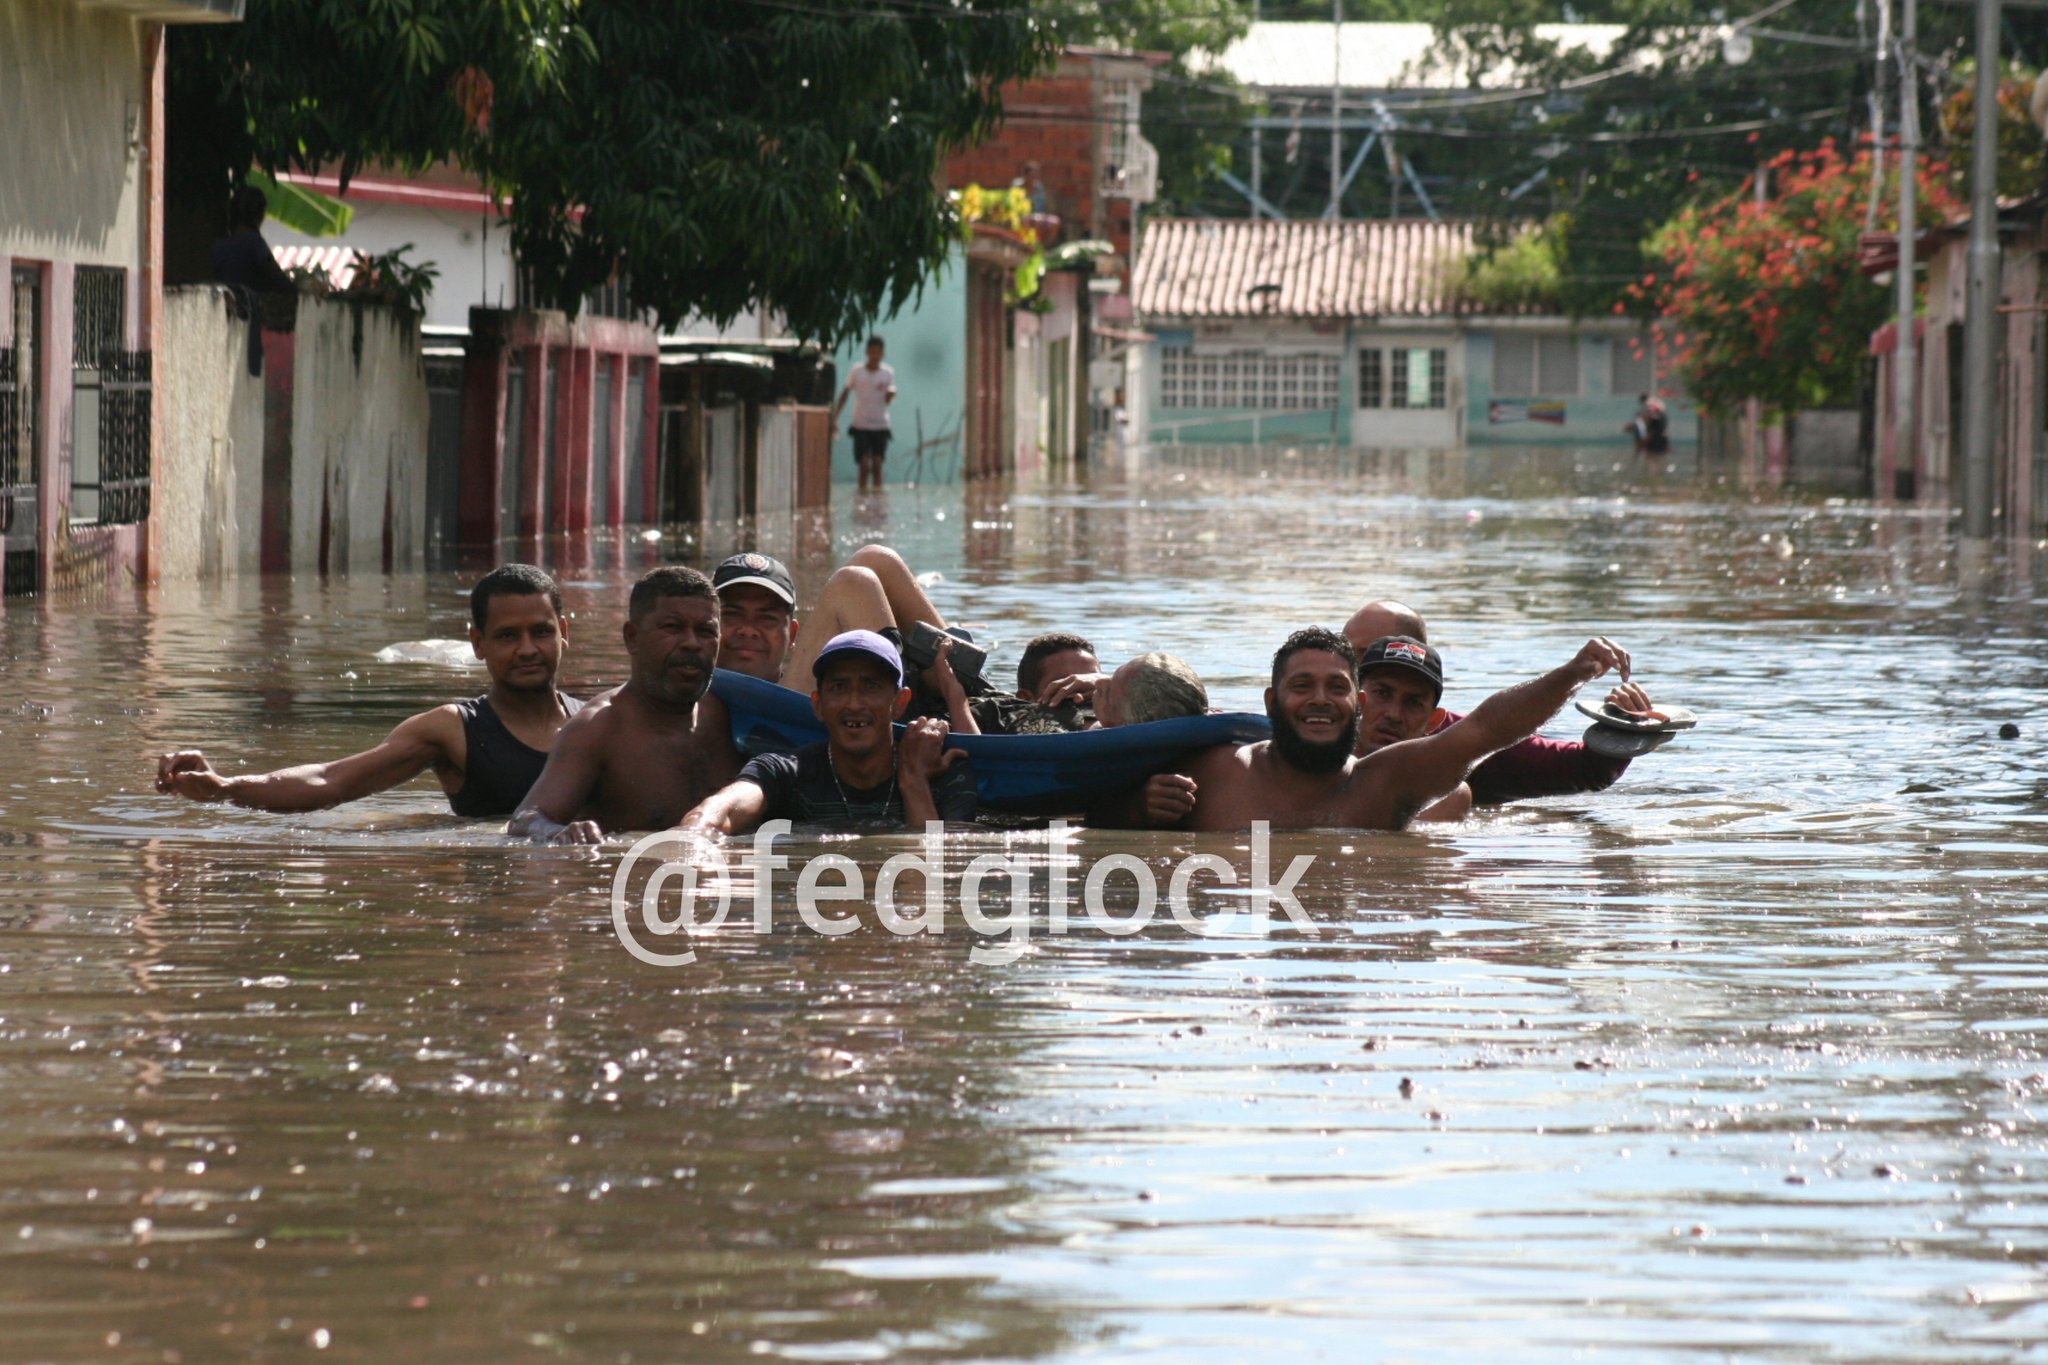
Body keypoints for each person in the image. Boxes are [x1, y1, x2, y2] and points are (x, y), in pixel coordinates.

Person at [155, 564, 581, 817]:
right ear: (477, 644)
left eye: (541, 632)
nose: (528, 649)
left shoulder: (600, 721)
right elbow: (332, 779)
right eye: (507, 636)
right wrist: (227, 788)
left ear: (563, 633)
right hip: (493, 903)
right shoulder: (453, 731)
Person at [1179, 627, 1632, 832]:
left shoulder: (1387, 784)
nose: (1319, 698)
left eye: (1335, 687)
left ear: (1353, 704)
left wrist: (1575, 671)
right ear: (1271, 703)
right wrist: (1143, 806)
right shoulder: (1211, 768)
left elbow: (1486, 730)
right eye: (1302, 686)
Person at [1342, 599, 1656, 807]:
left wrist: (1622, 723)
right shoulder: (1310, 729)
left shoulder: (1460, 747)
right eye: (1348, 655)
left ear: (1433, 719)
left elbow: (1588, 769)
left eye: (1412, 701)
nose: (1393, 714)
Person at [510, 566, 739, 843]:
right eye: (673, 628)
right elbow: (525, 820)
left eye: (706, 631)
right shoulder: (598, 729)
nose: (692, 643)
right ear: (632, 638)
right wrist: (559, 833)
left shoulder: (728, 712)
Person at [680, 630, 976, 835]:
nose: (854, 704)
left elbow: (943, 877)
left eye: (871, 686)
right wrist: (696, 832)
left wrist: (914, 781)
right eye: (839, 688)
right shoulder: (785, 772)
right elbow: (726, 809)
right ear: (818, 705)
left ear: (899, 703)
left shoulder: (947, 773)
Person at [210, 186, 305, 295]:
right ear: (259, 215)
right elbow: (280, 281)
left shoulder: (218, 246)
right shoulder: (254, 243)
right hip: (247, 307)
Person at [832, 335, 897, 494]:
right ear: (867, 352)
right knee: (863, 464)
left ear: (882, 354)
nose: (874, 355)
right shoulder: (857, 371)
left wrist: (891, 394)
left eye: (878, 352)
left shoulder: (887, 373)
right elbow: (845, 393)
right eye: (872, 351)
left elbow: (888, 399)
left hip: (881, 424)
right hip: (860, 424)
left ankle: (877, 500)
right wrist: (834, 417)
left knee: (877, 464)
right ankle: (861, 499)